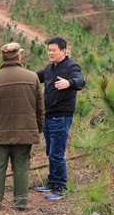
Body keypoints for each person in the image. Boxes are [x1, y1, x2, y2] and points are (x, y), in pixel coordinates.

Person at [0, 42, 44, 211]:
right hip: (25, 132)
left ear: (3, 57)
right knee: (21, 166)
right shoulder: (33, 77)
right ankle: (21, 203)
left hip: (0, 132)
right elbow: (40, 107)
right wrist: (38, 129)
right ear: (19, 57)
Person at [35, 37, 86, 200]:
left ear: (63, 51)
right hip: (48, 115)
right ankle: (52, 182)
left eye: (53, 50)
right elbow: (36, 77)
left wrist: (69, 83)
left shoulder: (71, 67)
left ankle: (61, 187)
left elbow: (81, 81)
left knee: (57, 153)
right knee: (50, 151)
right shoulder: (49, 68)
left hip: (61, 115)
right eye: (49, 50)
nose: (50, 53)